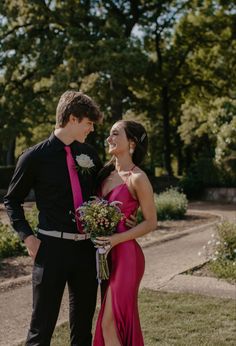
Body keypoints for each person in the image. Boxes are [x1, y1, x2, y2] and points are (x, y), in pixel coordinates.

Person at [3, 90, 104, 346]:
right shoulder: (34, 157)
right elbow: (12, 201)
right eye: (88, 123)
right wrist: (28, 238)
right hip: (51, 249)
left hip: (85, 249)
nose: (91, 129)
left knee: (82, 329)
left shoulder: (90, 155)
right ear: (72, 119)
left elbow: (98, 195)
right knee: (41, 329)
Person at [93, 120, 157, 346]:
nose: (109, 139)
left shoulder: (138, 178)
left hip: (127, 257)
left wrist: (115, 239)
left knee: (108, 323)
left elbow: (151, 222)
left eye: (114, 134)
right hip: (105, 257)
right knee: (110, 323)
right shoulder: (104, 174)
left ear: (131, 142)